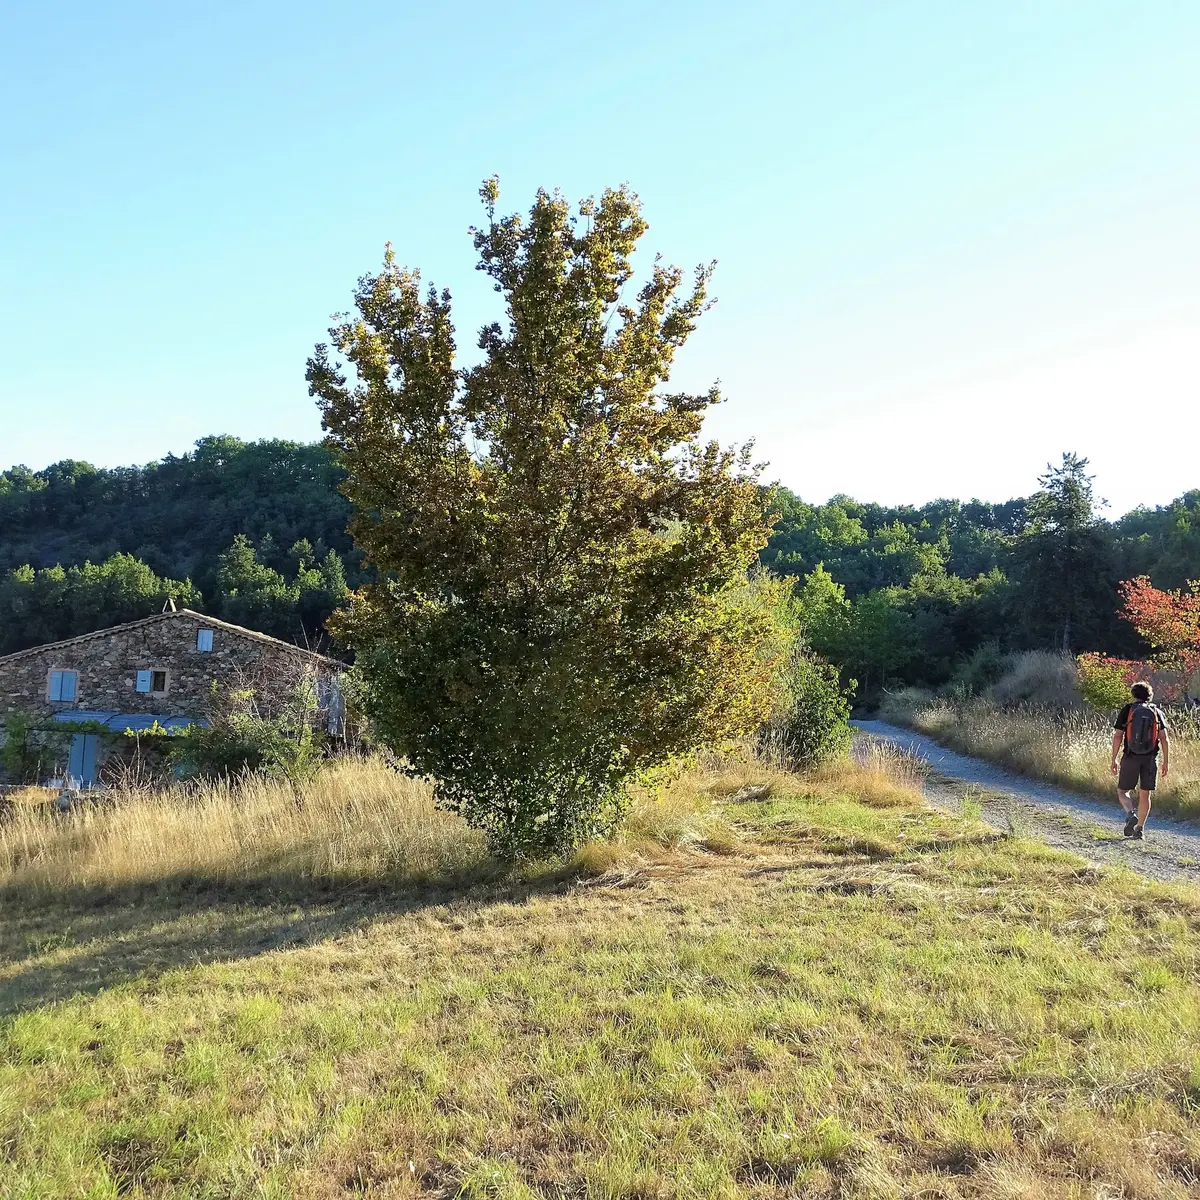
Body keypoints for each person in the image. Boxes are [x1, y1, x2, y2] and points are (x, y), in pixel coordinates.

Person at [1110, 681, 1170, 840]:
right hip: (1150, 758)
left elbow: (1118, 736)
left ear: (1133, 694)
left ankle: (1130, 814)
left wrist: (1114, 759)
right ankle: (1139, 830)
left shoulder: (1128, 710)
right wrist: (1166, 762)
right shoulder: (1156, 711)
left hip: (1130, 757)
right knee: (1145, 795)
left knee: (1122, 791)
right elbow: (1164, 739)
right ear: (1149, 696)